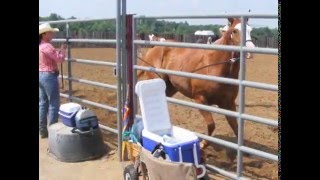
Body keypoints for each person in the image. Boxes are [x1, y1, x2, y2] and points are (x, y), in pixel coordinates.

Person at [39, 23, 67, 138]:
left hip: (41, 75)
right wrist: (63, 50)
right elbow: (60, 59)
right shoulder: (47, 46)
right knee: (54, 103)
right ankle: (53, 132)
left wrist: (59, 50)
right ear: (44, 34)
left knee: (43, 103)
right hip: (49, 76)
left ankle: (42, 130)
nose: (52, 33)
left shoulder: (41, 45)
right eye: (50, 32)